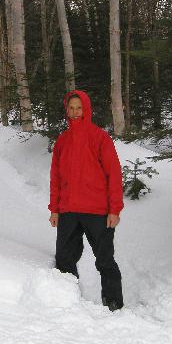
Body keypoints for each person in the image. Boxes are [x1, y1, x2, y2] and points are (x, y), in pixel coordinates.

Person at [48, 90, 124, 311]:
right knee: (64, 258)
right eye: (71, 108)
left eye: (78, 108)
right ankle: (68, 301)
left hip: (97, 211)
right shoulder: (63, 141)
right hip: (69, 211)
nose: (74, 112)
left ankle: (113, 304)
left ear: (86, 109)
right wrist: (55, 209)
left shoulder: (100, 138)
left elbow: (114, 175)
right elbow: (56, 177)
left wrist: (114, 209)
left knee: (105, 260)